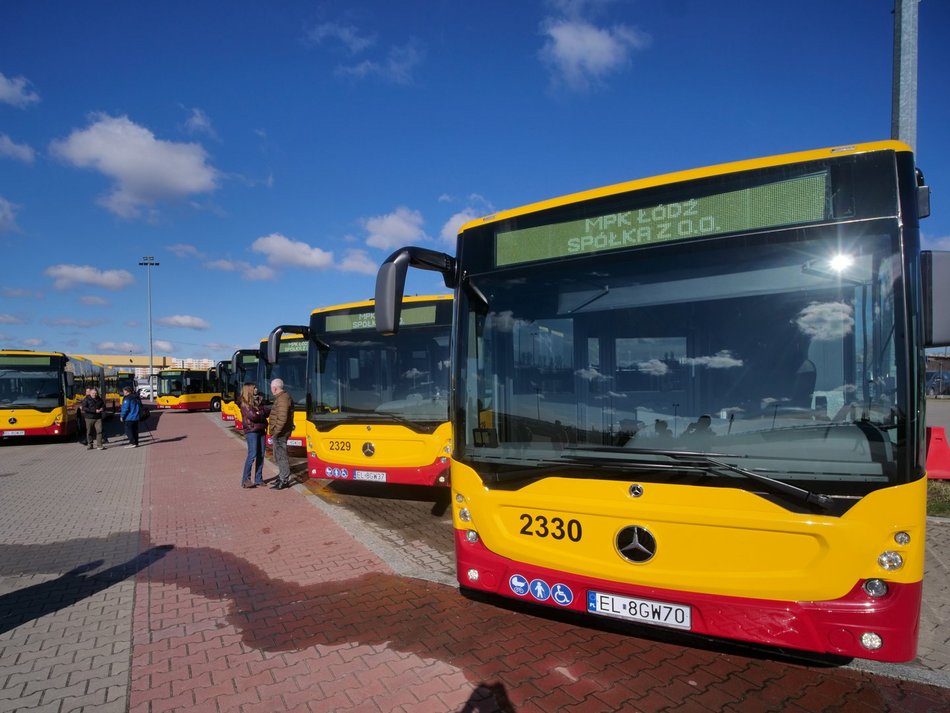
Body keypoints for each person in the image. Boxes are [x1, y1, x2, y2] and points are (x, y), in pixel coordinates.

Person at [239, 382, 268, 489]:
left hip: (261, 429)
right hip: (251, 431)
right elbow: (253, 417)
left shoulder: (259, 400)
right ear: (249, 390)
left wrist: (259, 412)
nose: (256, 389)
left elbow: (266, 412)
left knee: (261, 454)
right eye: (254, 388)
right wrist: (260, 413)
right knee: (252, 454)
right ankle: (246, 480)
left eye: (256, 387)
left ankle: (259, 479)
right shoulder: (244, 404)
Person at [268, 378, 294, 490]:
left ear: (275, 388)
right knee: (278, 456)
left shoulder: (282, 399)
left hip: (281, 433)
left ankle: (284, 480)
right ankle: (281, 476)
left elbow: (282, 418)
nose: (271, 390)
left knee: (281, 456)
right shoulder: (281, 397)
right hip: (280, 432)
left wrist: (276, 432)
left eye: (271, 388)